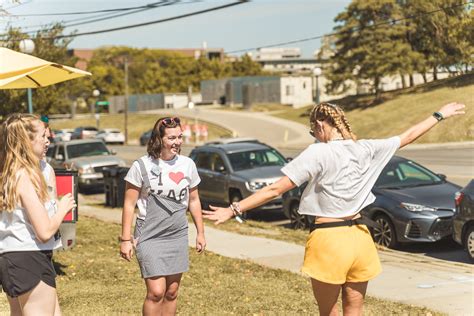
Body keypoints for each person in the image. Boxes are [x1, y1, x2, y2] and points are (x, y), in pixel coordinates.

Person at [203, 102, 465, 315]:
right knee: (355, 309)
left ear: (319, 125)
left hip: (329, 239)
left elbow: (275, 189)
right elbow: (407, 136)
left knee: (328, 311)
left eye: (312, 131)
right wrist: (439, 114)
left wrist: (233, 209)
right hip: (361, 238)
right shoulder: (367, 148)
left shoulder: (318, 152)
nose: (314, 136)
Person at [120, 116, 206, 315]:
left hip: (177, 233)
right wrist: (125, 239)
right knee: (156, 292)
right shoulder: (141, 166)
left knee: (172, 291)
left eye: (179, 137)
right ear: (159, 139)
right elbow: (128, 204)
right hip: (149, 234)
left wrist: (200, 232)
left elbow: (194, 200)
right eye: (171, 138)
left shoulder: (187, 165)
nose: (177, 142)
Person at [0, 113, 76, 316]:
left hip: (17, 257)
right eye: (43, 136)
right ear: (26, 141)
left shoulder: (11, 172)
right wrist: (62, 208)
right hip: (28, 257)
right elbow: (44, 231)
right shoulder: (22, 176)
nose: (47, 140)